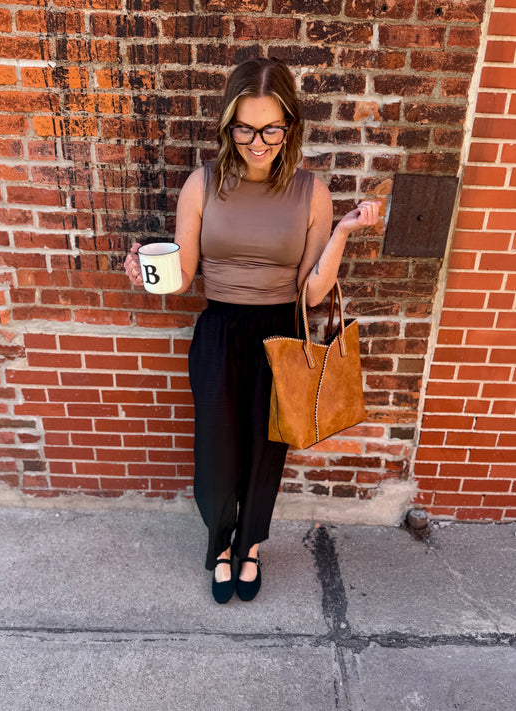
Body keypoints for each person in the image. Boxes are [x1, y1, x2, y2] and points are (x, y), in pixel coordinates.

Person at [124, 58, 380, 604]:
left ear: (290, 126)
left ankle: (250, 546)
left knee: (265, 454)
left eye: (270, 129)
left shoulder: (311, 192)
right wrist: (148, 273)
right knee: (217, 453)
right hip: (219, 332)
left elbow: (311, 294)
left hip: (279, 336)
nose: (257, 142)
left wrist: (340, 234)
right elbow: (183, 275)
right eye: (244, 128)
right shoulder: (202, 184)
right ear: (228, 124)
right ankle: (220, 545)